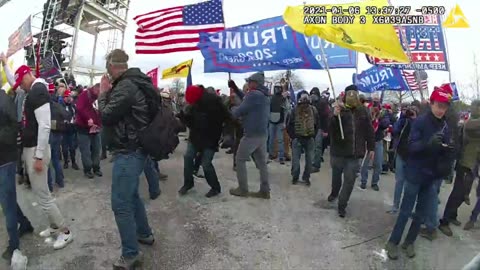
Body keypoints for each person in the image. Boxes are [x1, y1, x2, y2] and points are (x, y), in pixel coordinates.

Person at [98, 49, 155, 268]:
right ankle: (144, 234)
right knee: (131, 196)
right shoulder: (132, 82)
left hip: (129, 151)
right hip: (135, 149)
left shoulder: (126, 86)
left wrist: (103, 93)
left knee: (120, 203)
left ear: (112, 66)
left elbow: (106, 115)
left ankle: (131, 254)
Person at [385, 87, 455, 260]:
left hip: (431, 176)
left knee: (421, 213)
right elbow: (411, 146)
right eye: (438, 105)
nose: (441, 110)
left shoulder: (446, 126)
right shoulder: (421, 122)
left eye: (444, 106)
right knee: (406, 210)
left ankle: (409, 242)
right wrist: (427, 144)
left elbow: (448, 147)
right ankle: (393, 242)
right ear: (431, 103)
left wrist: (448, 153)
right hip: (415, 172)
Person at [12, 65, 73, 250]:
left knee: (43, 196)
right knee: (42, 193)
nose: (21, 87)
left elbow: (45, 125)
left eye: (22, 82)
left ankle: (65, 231)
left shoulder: (38, 92)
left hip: (36, 150)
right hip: (32, 148)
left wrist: (38, 157)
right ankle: (55, 226)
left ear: (28, 76)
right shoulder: (35, 89)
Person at [0, 53, 35, 262]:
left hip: (6, 158)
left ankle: (14, 245)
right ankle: (26, 224)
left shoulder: (3, 99)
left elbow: (13, 127)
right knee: (8, 198)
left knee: (6, 200)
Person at [328, 85, 375, 218]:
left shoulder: (363, 111)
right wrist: (334, 116)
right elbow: (330, 129)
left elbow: (369, 130)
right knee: (336, 178)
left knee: (349, 180)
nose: (352, 97)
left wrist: (371, 147)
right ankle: (334, 192)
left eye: (355, 94)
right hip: (338, 152)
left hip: (355, 153)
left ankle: (342, 205)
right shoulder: (339, 110)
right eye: (350, 94)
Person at [177, 85, 232, 198]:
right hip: (196, 137)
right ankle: (188, 183)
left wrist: (227, 133)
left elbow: (227, 117)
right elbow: (191, 123)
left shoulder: (214, 102)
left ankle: (215, 187)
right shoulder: (193, 105)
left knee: (206, 164)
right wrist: (183, 118)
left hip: (210, 138)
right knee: (188, 157)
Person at [438, 100, 480, 237]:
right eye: (475, 107)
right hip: (465, 163)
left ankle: (452, 215)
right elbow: (471, 126)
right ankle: (444, 222)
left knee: (464, 194)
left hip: (472, 164)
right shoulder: (470, 123)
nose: (474, 109)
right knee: (458, 193)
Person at [229, 72, 270, 199]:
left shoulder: (253, 95)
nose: (248, 83)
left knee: (240, 160)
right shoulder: (264, 94)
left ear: (255, 83)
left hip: (251, 134)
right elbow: (247, 98)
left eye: (250, 81)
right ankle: (265, 190)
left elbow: (241, 109)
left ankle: (243, 189)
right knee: (262, 163)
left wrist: (230, 112)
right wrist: (235, 88)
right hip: (262, 134)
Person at [388, 104, 418, 214]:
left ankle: (406, 209)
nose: (409, 113)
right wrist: (403, 118)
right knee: (399, 181)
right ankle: (395, 206)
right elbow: (395, 130)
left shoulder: (419, 123)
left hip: (412, 157)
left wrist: (414, 120)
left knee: (409, 184)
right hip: (401, 154)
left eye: (411, 111)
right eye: (406, 110)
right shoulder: (403, 121)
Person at [286, 91, 319, 186]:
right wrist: (294, 137)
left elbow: (317, 124)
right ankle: (295, 177)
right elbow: (289, 125)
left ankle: (306, 177)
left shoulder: (313, 110)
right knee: (296, 162)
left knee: (309, 162)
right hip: (298, 139)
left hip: (309, 139)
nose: (305, 103)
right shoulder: (294, 110)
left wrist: (313, 135)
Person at [360, 101, 391, 191]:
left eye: (377, 108)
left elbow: (386, 124)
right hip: (367, 141)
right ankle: (363, 181)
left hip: (378, 141)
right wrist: (371, 118)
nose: (375, 109)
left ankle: (375, 182)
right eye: (374, 107)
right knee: (364, 164)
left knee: (378, 164)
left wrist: (378, 119)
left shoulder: (383, 115)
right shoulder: (366, 113)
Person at [75, 83, 102, 179]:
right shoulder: (84, 95)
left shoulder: (99, 98)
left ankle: (96, 168)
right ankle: (87, 169)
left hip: (96, 128)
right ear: (95, 89)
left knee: (96, 149)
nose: (100, 93)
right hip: (83, 128)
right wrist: (88, 119)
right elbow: (79, 108)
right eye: (99, 91)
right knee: (85, 150)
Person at [268, 84, 287, 164]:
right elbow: (268, 109)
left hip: (280, 121)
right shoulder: (271, 98)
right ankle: (271, 155)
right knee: (272, 139)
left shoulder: (283, 99)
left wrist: (284, 122)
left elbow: (286, 111)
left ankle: (281, 157)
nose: (277, 90)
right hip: (272, 120)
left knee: (279, 140)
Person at [61, 89, 79, 170]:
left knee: (72, 147)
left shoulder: (73, 106)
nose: (68, 98)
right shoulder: (61, 106)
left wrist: (75, 121)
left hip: (72, 130)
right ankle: (65, 162)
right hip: (64, 130)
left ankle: (74, 162)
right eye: (67, 97)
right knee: (64, 148)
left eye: (70, 96)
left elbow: (76, 115)